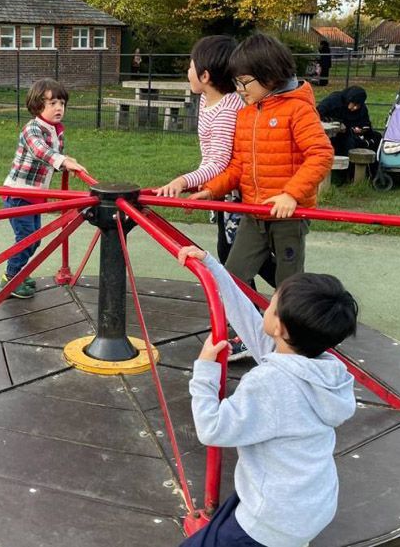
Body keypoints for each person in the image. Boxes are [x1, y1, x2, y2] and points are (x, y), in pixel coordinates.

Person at [176, 245, 358, 547]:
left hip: (272, 522)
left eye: (271, 305)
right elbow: (247, 318)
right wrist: (212, 267)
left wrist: (205, 370)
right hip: (311, 502)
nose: (264, 308)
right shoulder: (327, 370)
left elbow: (212, 428)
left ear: (280, 327)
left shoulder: (269, 383)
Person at [192, 33, 334, 291]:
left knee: (288, 284)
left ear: (269, 76)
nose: (239, 89)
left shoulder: (297, 110)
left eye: (245, 82)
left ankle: (289, 329)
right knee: (233, 275)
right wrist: (212, 190)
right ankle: (244, 327)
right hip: (253, 213)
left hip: (287, 215)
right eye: (237, 82)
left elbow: (321, 154)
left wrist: (291, 195)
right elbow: (238, 167)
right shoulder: (246, 115)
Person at [153, 35, 275, 292]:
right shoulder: (207, 101)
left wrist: (184, 180)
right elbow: (210, 155)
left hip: (236, 192)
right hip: (221, 190)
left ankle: (268, 307)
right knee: (230, 250)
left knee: (239, 255)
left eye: (190, 66)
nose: (188, 72)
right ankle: (254, 309)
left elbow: (219, 162)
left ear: (205, 76)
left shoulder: (227, 110)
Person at [1, 79, 87, 299]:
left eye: (62, 103)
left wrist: (64, 160)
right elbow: (41, 152)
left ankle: (18, 272)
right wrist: (61, 160)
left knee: (35, 239)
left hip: (37, 195)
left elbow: (50, 161)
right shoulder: (32, 129)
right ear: (38, 106)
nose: (59, 108)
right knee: (27, 237)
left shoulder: (56, 130)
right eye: (52, 103)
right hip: (19, 193)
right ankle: (10, 277)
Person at [316, 86, 381, 156]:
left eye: (358, 105)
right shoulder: (334, 101)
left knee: (377, 137)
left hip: (352, 134)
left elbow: (366, 124)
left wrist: (362, 130)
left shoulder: (362, 109)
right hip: (334, 134)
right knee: (348, 142)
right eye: (354, 104)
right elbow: (317, 113)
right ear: (349, 100)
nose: (355, 108)